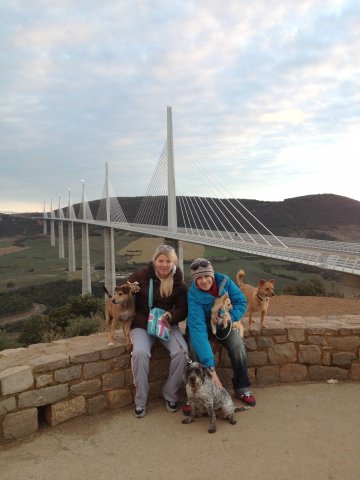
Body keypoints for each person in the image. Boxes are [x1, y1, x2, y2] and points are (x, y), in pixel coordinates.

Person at [126, 244, 189, 418]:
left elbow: (184, 309)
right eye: (161, 260)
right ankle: (141, 400)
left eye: (168, 261)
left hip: (166, 324)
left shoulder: (178, 282)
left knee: (181, 353)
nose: (164, 264)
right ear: (155, 261)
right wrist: (131, 290)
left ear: (173, 262)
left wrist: (172, 315)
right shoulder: (141, 275)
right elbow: (123, 288)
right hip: (142, 324)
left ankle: (170, 393)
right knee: (139, 353)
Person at [186, 258, 256, 407]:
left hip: (223, 325)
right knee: (193, 348)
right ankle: (195, 392)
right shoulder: (193, 294)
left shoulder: (225, 281)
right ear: (195, 280)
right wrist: (211, 367)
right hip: (201, 327)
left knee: (237, 345)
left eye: (207, 276)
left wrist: (231, 317)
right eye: (199, 278)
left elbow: (241, 302)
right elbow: (198, 330)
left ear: (212, 274)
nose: (204, 281)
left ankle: (242, 386)